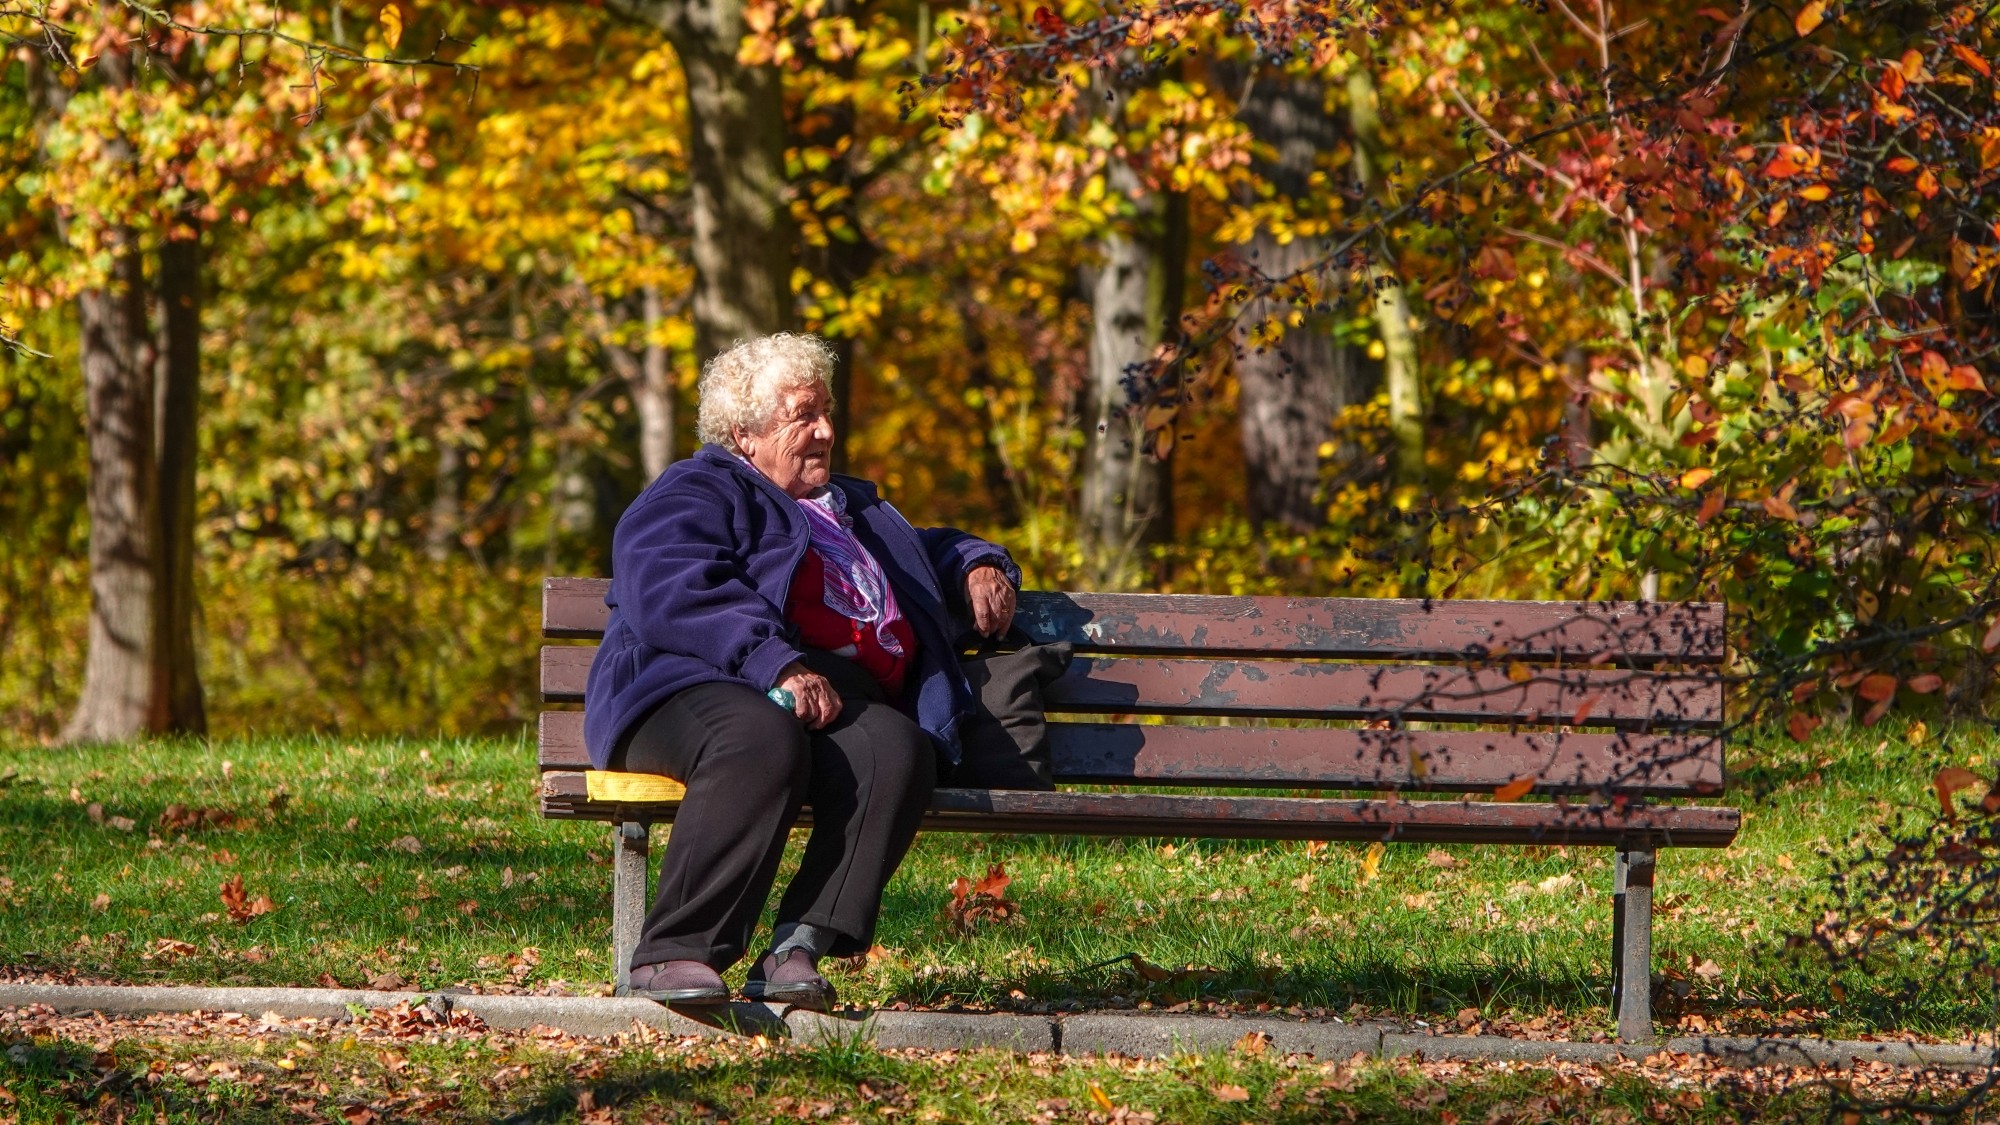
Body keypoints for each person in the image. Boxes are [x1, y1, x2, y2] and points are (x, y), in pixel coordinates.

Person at [583, 333, 1020, 1009]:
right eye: (802, 416)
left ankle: (797, 946)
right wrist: (775, 662)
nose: (826, 431)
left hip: (812, 696)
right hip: (684, 684)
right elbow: (673, 584)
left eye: (826, 412)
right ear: (745, 434)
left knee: (896, 747)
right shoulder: (696, 489)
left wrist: (979, 562)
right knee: (759, 735)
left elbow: (927, 548)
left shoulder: (850, 510)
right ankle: (676, 950)